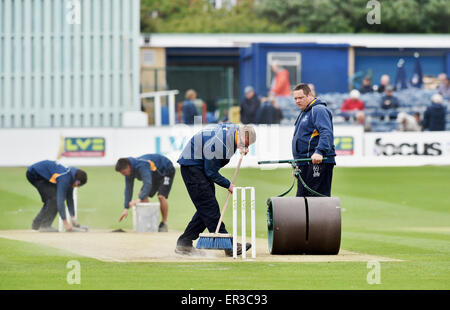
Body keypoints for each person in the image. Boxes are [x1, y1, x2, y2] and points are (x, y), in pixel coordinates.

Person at [175, 123, 257, 256]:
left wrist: (242, 146)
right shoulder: (220, 144)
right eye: (243, 143)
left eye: (248, 146)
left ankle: (184, 243)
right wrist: (228, 184)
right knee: (209, 206)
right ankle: (229, 246)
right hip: (193, 168)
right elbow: (211, 172)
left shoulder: (235, 130)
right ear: (240, 135)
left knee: (206, 207)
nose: (245, 147)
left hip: (197, 165)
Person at [292, 83, 336, 197]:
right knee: (302, 201)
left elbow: (326, 132)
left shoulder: (318, 110)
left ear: (310, 95)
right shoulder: (304, 112)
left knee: (317, 202)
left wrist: (319, 151)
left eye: (300, 97)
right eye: (295, 98)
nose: (297, 101)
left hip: (318, 162)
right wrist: (297, 163)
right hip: (305, 163)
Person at [115, 154, 175, 232]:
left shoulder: (142, 165)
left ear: (128, 167)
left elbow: (148, 184)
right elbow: (128, 189)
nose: (123, 175)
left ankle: (163, 224)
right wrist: (126, 208)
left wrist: (139, 199)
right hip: (153, 175)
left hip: (166, 171)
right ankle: (148, 224)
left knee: (161, 196)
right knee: (142, 194)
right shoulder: (128, 172)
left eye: (123, 172)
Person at [26, 160, 88, 232]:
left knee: (52, 199)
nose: (76, 187)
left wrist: (74, 220)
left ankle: (40, 225)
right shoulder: (65, 178)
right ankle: (42, 226)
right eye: (78, 186)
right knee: (54, 199)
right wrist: (66, 223)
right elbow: (60, 201)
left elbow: (69, 199)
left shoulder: (71, 178)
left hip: (43, 175)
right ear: (77, 182)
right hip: (35, 174)